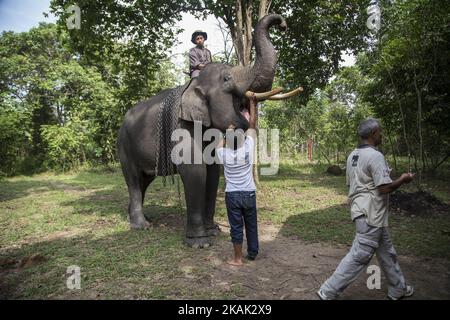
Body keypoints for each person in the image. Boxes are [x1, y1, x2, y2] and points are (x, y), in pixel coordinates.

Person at [317, 118, 415, 300]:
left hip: (367, 212)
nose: (382, 135)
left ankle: (398, 288)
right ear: (373, 133)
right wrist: (403, 179)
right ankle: (328, 290)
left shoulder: (353, 155)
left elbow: (357, 182)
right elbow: (384, 188)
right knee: (360, 255)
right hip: (371, 213)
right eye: (380, 132)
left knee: (386, 252)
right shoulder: (375, 156)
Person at [216, 98, 258, 266]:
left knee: (236, 226)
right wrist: (252, 104)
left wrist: (227, 132)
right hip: (249, 193)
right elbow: (252, 125)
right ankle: (253, 253)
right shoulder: (247, 149)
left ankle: (238, 259)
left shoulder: (224, 154)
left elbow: (220, 143)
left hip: (232, 195)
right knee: (251, 224)